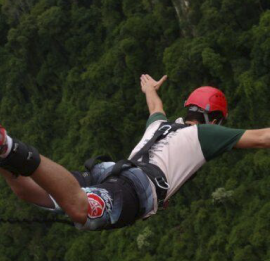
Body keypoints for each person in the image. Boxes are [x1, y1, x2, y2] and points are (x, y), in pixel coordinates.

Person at [0, 74, 269, 230]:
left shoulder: (162, 126)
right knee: (81, 209)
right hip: (136, 188)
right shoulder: (207, 134)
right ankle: (8, 147)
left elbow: (156, 107)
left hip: (114, 171)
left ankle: (3, 154)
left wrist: (149, 89)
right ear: (216, 119)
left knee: (28, 190)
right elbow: (262, 138)